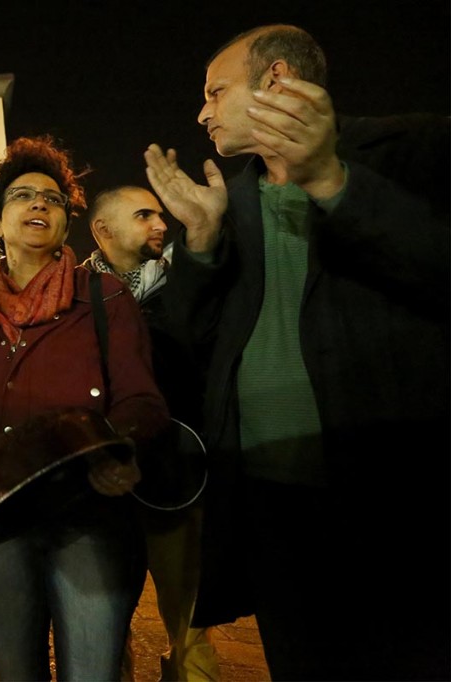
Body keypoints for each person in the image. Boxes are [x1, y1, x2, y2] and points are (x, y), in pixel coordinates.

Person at [144, 25, 449, 679]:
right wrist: (199, 243)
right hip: (270, 499)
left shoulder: (411, 150)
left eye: (214, 91)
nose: (202, 112)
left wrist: (331, 181)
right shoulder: (235, 200)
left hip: (394, 501)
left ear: (276, 80)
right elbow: (192, 345)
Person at [0, 137, 169, 681]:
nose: (40, 204)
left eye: (54, 199)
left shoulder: (106, 297)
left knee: (92, 670)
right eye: (23, 196)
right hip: (1, 516)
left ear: (67, 222)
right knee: (15, 669)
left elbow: (141, 398)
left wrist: (123, 449)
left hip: (89, 509)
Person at [85, 187, 220, 681]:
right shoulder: (76, 297)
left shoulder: (186, 284)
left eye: (160, 214)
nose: (160, 224)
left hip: (174, 476)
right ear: (103, 231)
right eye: (143, 216)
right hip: (101, 481)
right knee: (101, 625)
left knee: (189, 621)